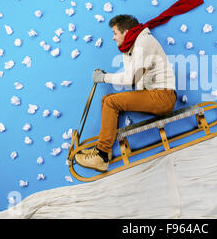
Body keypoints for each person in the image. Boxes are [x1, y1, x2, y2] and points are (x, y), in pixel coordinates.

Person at [74, 14, 177, 172]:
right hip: (156, 94)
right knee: (107, 99)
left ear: (126, 32)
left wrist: (104, 78)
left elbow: (131, 79)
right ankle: (104, 152)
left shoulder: (143, 43)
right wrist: (122, 55)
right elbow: (133, 75)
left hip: (163, 96)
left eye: (115, 33)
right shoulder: (133, 46)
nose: (113, 38)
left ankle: (101, 155)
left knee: (110, 102)